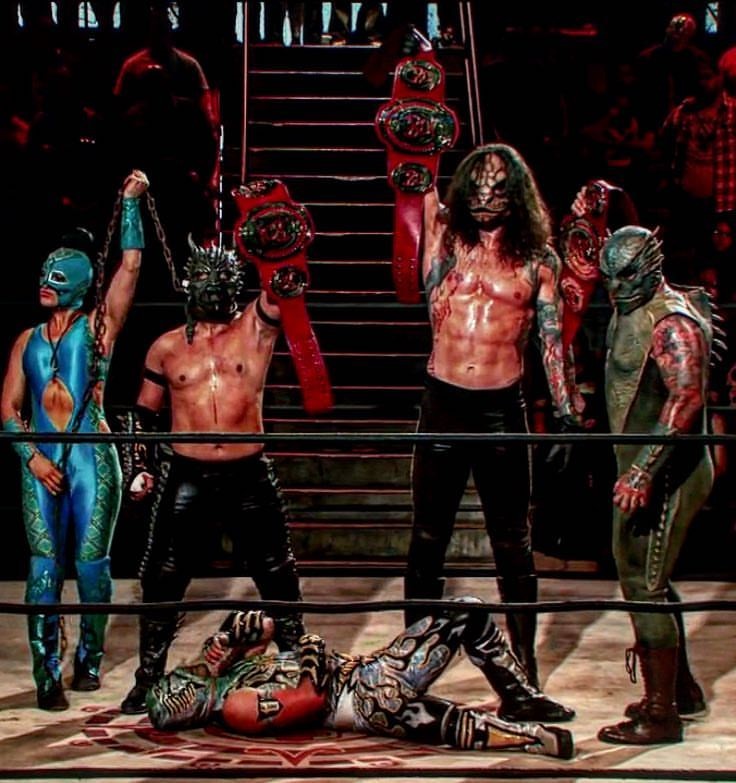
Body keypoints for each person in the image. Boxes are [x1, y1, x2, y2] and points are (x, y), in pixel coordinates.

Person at [404, 142, 579, 703]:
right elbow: (420, 195)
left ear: (515, 195)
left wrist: (566, 413)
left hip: (501, 408)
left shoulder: (538, 260)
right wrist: (422, 159)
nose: (485, 197)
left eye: (497, 187)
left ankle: (523, 667)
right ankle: (408, 665)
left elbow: (551, 342)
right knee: (428, 536)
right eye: (476, 186)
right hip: (443, 402)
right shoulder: (448, 240)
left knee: (512, 542)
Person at [119, 236, 305, 715]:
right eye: (204, 278)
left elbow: (283, 287)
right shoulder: (166, 348)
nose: (213, 287)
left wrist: (275, 241)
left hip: (249, 472)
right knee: (163, 575)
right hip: (188, 473)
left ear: (234, 284)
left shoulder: (255, 329)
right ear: (189, 284)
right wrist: (139, 466)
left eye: (222, 278)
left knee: (276, 569)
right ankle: (148, 676)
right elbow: (143, 413)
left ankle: (297, 661)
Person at [0, 170, 149, 710]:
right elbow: (8, 411)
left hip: (92, 458)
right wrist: (33, 459)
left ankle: (88, 659)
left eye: (56, 276)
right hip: (40, 460)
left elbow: (130, 266)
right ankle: (46, 673)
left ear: (79, 283)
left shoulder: (99, 329)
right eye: (44, 274)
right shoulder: (26, 341)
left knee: (90, 568)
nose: (45, 282)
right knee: (43, 569)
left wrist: (129, 204)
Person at [146, 605, 575, 760]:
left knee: (448, 726)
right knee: (466, 612)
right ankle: (521, 702)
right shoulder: (235, 706)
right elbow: (310, 700)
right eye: (183, 680)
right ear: (187, 700)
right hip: (361, 691)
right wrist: (312, 651)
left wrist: (234, 639)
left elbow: (268, 628)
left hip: (365, 696)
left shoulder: (233, 677)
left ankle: (535, 736)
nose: (189, 670)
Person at [595, 225, 713, 745]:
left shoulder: (671, 323)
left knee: (643, 583)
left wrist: (643, 470)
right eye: (609, 278)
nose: (615, 288)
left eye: (624, 277)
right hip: (643, 465)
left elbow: (685, 398)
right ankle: (681, 691)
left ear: (649, 267)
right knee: (650, 577)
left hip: (668, 471)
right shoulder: (632, 307)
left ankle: (661, 713)